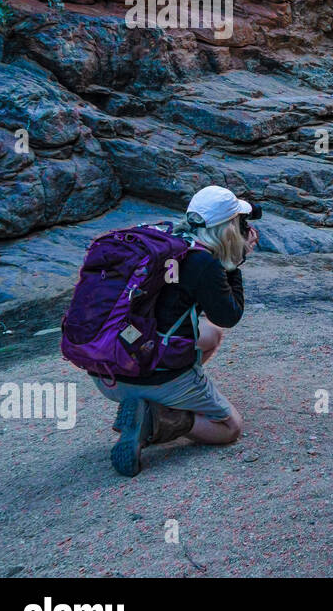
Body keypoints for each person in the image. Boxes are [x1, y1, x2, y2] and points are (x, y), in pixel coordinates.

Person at [95, 186, 257, 476]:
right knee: (230, 428)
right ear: (230, 228)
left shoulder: (166, 243)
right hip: (148, 374)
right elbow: (230, 315)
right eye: (239, 223)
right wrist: (235, 261)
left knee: (211, 336)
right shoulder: (203, 262)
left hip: (108, 370)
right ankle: (156, 418)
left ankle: (150, 398)